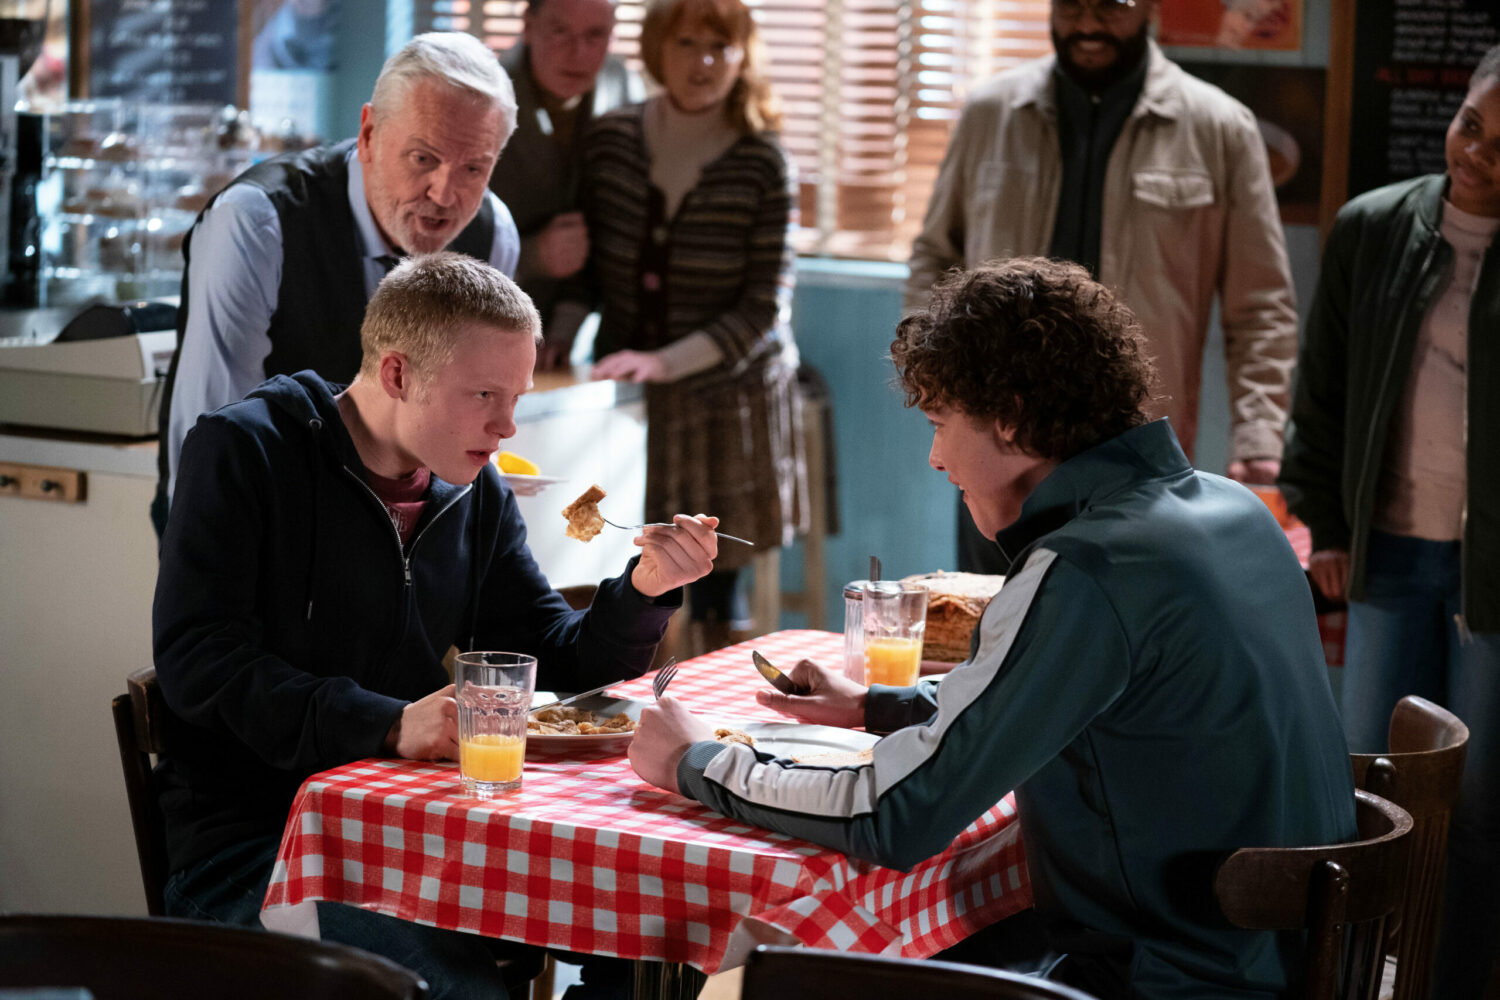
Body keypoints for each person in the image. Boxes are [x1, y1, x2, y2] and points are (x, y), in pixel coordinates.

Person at [629, 258, 1355, 1000]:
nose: (937, 457)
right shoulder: (1232, 512)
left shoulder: (1090, 567)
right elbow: (1083, 706)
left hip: (1163, 980)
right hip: (1281, 967)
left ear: (1008, 417)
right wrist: (881, 706)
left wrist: (695, 763)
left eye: (942, 424)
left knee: (776, 980)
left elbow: (894, 815)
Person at [153, 252, 721, 999]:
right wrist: (387, 725)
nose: (507, 424)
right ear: (396, 374)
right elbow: (201, 661)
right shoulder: (247, 451)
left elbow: (558, 661)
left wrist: (645, 589)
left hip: (416, 836)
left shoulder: (470, 488)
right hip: (263, 847)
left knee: (656, 931)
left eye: (514, 395)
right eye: (484, 393)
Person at [905, 0, 1298, 575]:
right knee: (990, 628)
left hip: (1129, 452)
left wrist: (1259, 439)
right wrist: (939, 389)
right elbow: (935, 255)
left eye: (1112, 6)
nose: (1088, 23)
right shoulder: (992, 112)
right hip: (994, 444)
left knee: (1123, 632)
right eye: (1072, 6)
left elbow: (1261, 307)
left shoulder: (1219, 128)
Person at [1279, 44, 1500, 1000]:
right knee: (1365, 789)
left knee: (1476, 804)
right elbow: (1318, 397)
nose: (1478, 154)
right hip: (1387, 552)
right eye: (1473, 123)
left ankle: (1443, 983)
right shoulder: (1374, 229)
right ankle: (1354, 979)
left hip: (1491, 572)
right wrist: (1326, 525)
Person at [154, 32, 523, 533]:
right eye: (423, 159)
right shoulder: (258, 223)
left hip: (408, 547)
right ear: (369, 134)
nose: (445, 192)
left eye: (474, 168)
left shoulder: (492, 233)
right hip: (260, 532)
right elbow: (213, 441)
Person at [567, 0, 806, 650]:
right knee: (626, 567)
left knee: (714, 579)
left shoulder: (764, 160)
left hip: (726, 400)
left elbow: (764, 309)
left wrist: (666, 361)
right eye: (687, 43)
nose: (702, 62)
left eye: (719, 48)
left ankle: (710, 712)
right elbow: (586, 274)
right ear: (655, 48)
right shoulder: (612, 139)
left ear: (743, 56)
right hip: (628, 401)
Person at [491, 0, 645, 370]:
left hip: (582, 343)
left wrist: (566, 328)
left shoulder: (626, 87)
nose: (578, 53)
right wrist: (531, 256)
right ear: (528, 25)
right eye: (560, 32)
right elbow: (428, 250)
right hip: (480, 332)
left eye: (595, 35)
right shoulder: (479, 94)